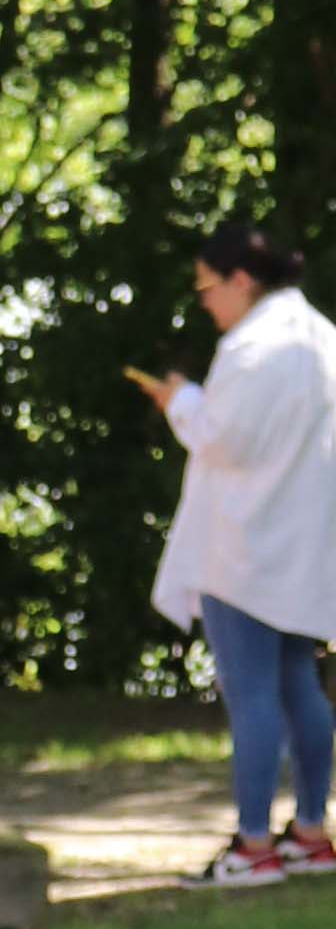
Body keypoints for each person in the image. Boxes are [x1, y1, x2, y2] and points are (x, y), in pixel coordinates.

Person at [127, 213, 336, 887]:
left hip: (244, 545)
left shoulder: (252, 349)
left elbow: (223, 439)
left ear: (242, 281)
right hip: (306, 547)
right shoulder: (323, 338)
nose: (206, 302)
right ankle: (310, 831)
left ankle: (252, 846)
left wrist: (180, 399)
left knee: (252, 696)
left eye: (208, 288)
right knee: (299, 688)